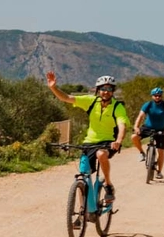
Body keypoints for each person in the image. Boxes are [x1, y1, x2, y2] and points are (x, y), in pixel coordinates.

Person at [46, 73, 129, 206]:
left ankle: (108, 185)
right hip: (89, 142)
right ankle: (82, 211)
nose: (106, 92)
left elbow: (122, 125)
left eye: (109, 89)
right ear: (98, 90)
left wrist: (118, 140)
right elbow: (67, 98)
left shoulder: (117, 106)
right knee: (83, 177)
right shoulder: (91, 101)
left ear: (113, 91)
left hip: (109, 141)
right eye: (103, 89)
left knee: (101, 154)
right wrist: (53, 88)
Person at [133, 87, 164, 178]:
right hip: (147, 128)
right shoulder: (148, 105)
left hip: (160, 130)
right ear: (152, 96)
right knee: (134, 137)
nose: (157, 97)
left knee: (161, 151)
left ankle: (159, 172)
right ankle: (141, 153)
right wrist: (136, 127)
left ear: (161, 96)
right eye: (155, 96)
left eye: (159, 96)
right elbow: (140, 116)